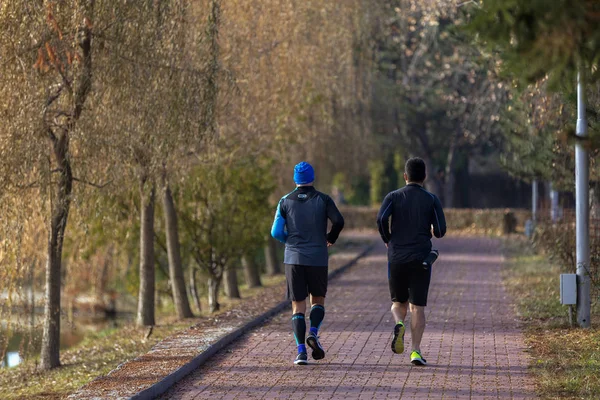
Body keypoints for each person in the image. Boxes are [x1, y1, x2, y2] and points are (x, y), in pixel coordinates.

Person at [271, 161, 345, 366]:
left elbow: (275, 232)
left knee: (298, 306)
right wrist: (330, 237)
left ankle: (301, 352)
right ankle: (313, 332)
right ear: (312, 177)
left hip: (293, 259)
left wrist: (291, 242)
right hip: (318, 257)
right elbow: (339, 221)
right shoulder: (323, 199)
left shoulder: (284, 201)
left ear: (295, 179)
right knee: (318, 300)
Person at [376, 157, 446, 366]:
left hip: (396, 257)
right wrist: (432, 231)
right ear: (424, 177)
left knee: (397, 304)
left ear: (405, 176)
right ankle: (415, 351)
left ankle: (399, 323)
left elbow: (381, 219)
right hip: (420, 259)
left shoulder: (393, 196)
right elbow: (441, 230)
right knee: (418, 307)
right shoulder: (431, 199)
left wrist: (387, 239)